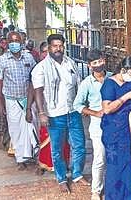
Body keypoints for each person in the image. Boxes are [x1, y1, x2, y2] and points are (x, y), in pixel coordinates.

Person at [30, 34, 88, 194]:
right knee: (57, 149)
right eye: (54, 46)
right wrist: (42, 113)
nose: (58, 49)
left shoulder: (70, 63)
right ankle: (61, 178)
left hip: (73, 111)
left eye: (60, 45)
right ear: (49, 48)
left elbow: (78, 85)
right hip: (55, 114)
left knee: (79, 146)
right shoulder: (40, 68)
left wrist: (82, 105)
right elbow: (38, 92)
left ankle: (77, 174)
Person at [0, 31, 38, 170]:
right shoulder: (2, 60)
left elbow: (35, 77)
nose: (14, 44)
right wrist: (1, 105)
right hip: (11, 100)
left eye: (17, 41)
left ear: (21, 42)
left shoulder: (29, 58)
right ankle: (20, 158)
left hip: (28, 99)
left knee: (32, 127)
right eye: (11, 41)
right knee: (16, 130)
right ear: (7, 43)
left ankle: (33, 155)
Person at [73, 49, 112, 200]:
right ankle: (96, 190)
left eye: (100, 61)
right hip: (97, 124)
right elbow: (77, 105)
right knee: (100, 157)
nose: (98, 65)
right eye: (94, 63)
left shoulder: (112, 78)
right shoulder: (87, 83)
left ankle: (112, 186)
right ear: (89, 66)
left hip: (113, 123)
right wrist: (95, 113)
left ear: (104, 60)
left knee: (114, 157)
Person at [100, 56, 131, 200]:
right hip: (114, 133)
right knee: (115, 168)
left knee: (129, 167)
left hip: (130, 130)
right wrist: (125, 97)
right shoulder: (109, 84)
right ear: (123, 70)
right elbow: (107, 109)